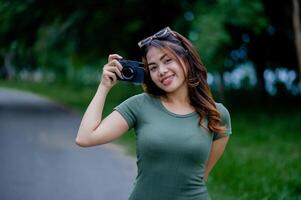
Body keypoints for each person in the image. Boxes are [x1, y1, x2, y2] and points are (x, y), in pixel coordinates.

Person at [75, 26, 232, 200]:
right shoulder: (140, 105)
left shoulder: (217, 114)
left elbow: (202, 175)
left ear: (186, 59)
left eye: (168, 60)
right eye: (153, 67)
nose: (162, 71)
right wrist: (103, 87)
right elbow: (85, 137)